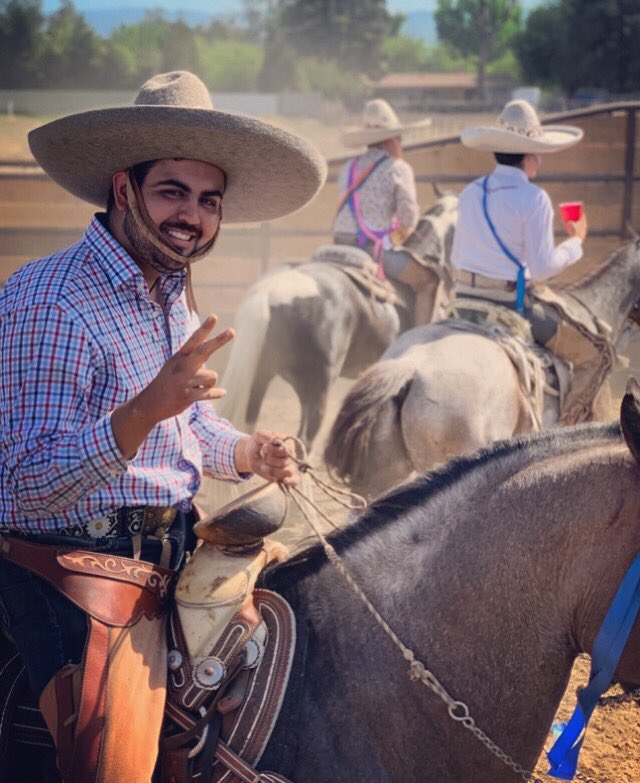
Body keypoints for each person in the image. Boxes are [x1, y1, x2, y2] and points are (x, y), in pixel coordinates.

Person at [0, 70, 325, 782]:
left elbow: (190, 429)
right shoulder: (51, 300)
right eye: (172, 191)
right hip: (71, 573)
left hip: (174, 547)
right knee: (115, 765)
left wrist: (248, 449)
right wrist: (146, 407)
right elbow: (22, 490)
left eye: (209, 200)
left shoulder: (168, 291)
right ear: (124, 189)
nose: (193, 216)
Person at [452, 98, 610, 424]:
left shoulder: (470, 192)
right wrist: (576, 241)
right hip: (511, 304)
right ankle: (566, 434)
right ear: (528, 157)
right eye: (537, 153)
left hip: (463, 299)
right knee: (595, 356)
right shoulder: (534, 199)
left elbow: (458, 254)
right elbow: (542, 268)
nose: (538, 160)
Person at [332, 98, 440, 324]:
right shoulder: (397, 168)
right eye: (400, 139)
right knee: (428, 281)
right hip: (371, 249)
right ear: (391, 141)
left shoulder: (348, 168)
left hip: (340, 244)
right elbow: (409, 218)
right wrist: (394, 237)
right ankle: (417, 344)